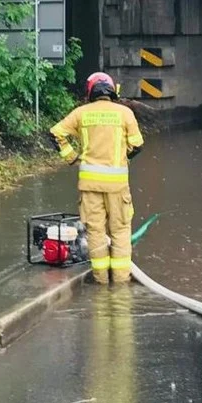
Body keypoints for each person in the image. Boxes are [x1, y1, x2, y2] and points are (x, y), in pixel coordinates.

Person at [50, 72, 144, 284]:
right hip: (118, 187)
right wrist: (123, 157)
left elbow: (55, 133)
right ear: (113, 90)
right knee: (120, 231)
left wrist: (72, 157)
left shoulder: (81, 113)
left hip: (90, 185)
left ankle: (101, 281)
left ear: (90, 91)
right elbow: (138, 145)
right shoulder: (125, 113)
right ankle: (120, 283)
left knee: (96, 232)